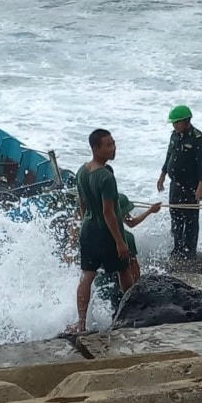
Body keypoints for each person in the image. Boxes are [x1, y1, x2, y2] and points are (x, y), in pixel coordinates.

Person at [69, 129, 132, 333]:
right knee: (124, 270)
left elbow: (82, 205)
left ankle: (81, 323)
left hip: (88, 229)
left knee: (87, 276)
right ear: (96, 148)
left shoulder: (81, 171)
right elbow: (109, 213)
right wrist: (120, 242)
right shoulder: (106, 177)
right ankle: (130, 315)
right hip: (106, 232)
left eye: (114, 143)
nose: (113, 148)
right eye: (108, 145)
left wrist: (84, 225)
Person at [156, 105, 202, 261]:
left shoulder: (199, 139)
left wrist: (201, 186)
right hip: (175, 185)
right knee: (176, 217)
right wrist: (162, 175)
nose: (174, 125)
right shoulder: (174, 136)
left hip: (191, 186)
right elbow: (169, 155)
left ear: (186, 121)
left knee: (191, 220)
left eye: (176, 122)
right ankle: (177, 248)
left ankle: (190, 252)